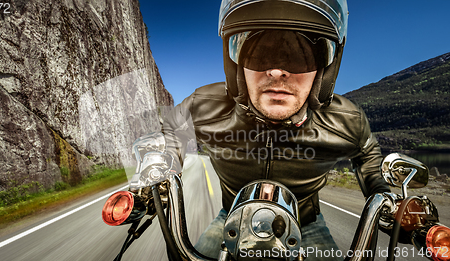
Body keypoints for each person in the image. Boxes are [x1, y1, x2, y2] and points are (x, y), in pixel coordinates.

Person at [159, 0, 391, 259]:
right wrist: (163, 170)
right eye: (261, 55)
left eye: (298, 57)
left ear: (323, 71)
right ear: (237, 66)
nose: (277, 71)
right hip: (232, 219)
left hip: (307, 224)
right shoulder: (204, 106)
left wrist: (384, 196)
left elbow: (367, 155)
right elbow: (173, 128)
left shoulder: (347, 120)